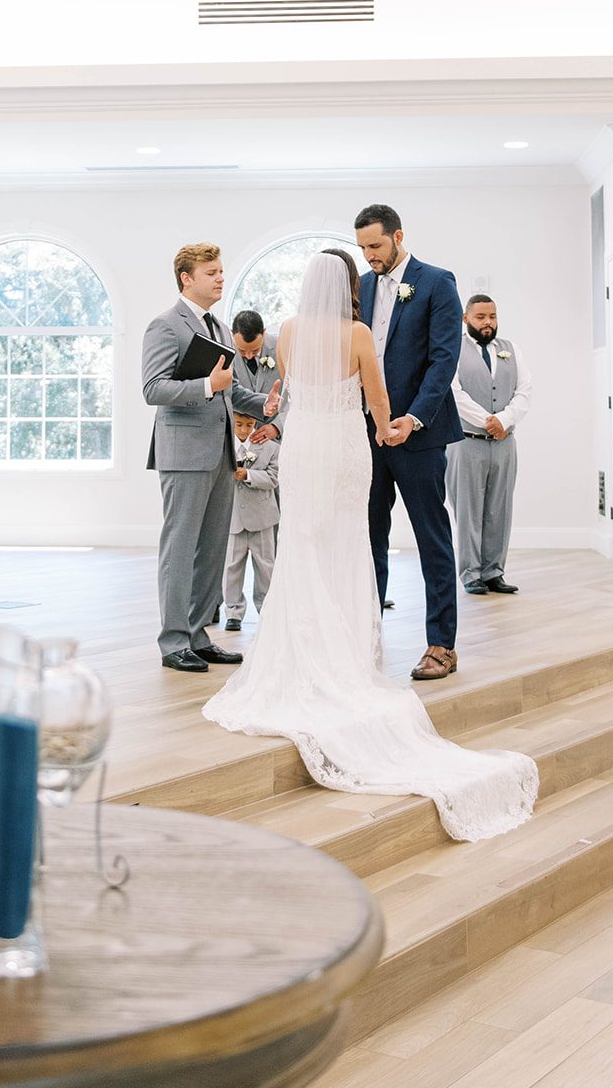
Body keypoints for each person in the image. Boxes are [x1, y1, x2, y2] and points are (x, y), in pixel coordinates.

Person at [203, 250, 537, 843]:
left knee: (300, 545)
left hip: (304, 449)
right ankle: (348, 657)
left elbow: (287, 392)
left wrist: (276, 421)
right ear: (347, 288)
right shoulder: (357, 333)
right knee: (349, 546)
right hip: (349, 447)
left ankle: (302, 653)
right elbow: (377, 400)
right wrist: (392, 426)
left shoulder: (287, 333)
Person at [142, 243, 280, 672]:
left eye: (221, 271)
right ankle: (172, 642)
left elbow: (231, 389)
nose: (221, 278)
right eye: (212, 272)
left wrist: (264, 405)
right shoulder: (165, 326)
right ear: (187, 278)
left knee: (212, 549)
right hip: (183, 452)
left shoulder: (219, 327)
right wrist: (205, 385)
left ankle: (199, 635)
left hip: (221, 452)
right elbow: (153, 389)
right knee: (180, 548)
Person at [355, 203, 464, 682]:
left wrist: (414, 418)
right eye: (362, 248)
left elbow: (443, 360)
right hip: (366, 434)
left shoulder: (437, 282)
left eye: (375, 246)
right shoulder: (359, 285)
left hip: (417, 436)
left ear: (398, 236)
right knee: (368, 537)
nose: (369, 256)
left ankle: (441, 644)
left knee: (431, 537)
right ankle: (367, 635)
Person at [447, 295, 532, 596]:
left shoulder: (511, 349)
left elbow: (524, 391)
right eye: (480, 317)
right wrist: (487, 420)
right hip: (465, 442)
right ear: (466, 319)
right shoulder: (452, 348)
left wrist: (505, 420)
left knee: (499, 508)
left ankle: (494, 571)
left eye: (492, 316)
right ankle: (471, 574)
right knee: (468, 510)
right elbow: (452, 392)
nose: (488, 323)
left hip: (505, 442)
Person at [223, 411, 279, 631]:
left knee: (266, 566)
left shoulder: (272, 448)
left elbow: (273, 478)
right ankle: (233, 612)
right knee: (232, 566)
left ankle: (267, 608)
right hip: (234, 517)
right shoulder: (224, 444)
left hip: (262, 518)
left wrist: (248, 475)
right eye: (239, 424)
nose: (244, 430)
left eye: (249, 425)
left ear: (256, 423)